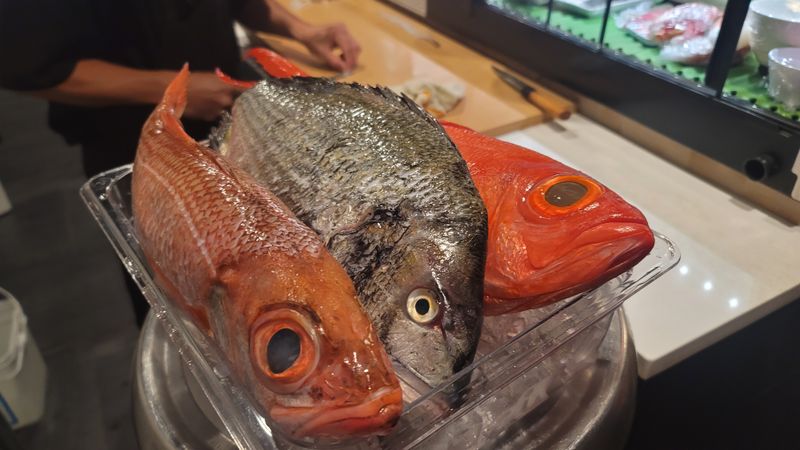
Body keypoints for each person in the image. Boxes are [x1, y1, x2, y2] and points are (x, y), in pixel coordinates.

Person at [0, 0, 361, 325]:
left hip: (228, 121)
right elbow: (32, 67)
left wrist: (301, 30)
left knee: (266, 283)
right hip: (136, 146)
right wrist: (169, 90)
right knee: (184, 302)